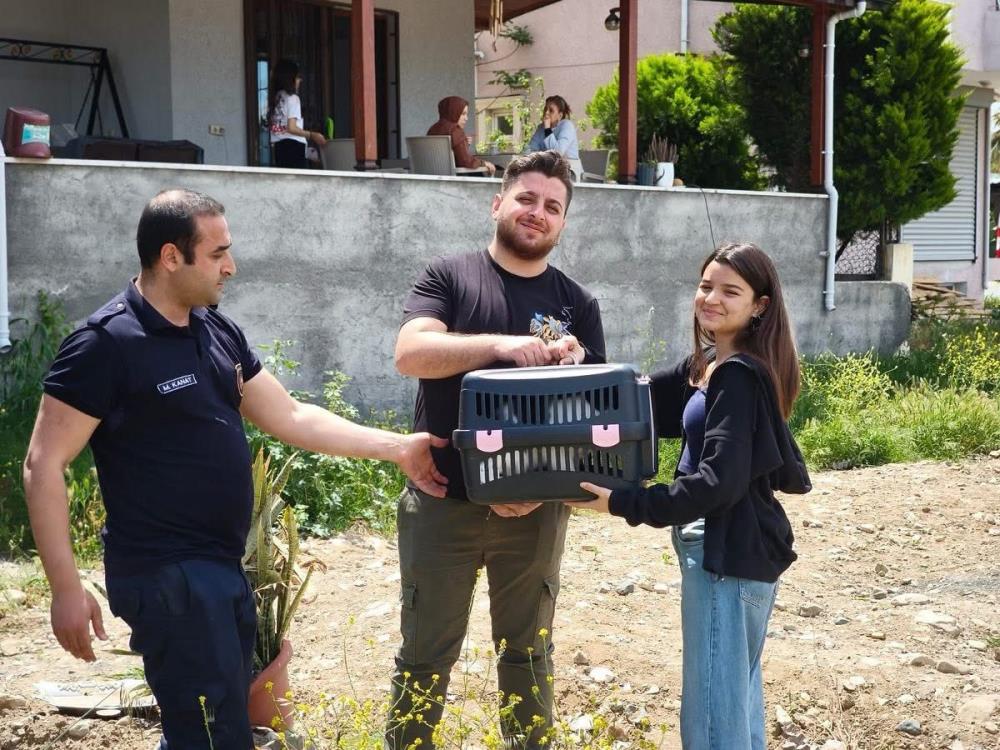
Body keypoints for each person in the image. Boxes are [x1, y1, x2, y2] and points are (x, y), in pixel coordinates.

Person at [22, 189, 448, 750]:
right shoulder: (105, 344)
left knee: (215, 727)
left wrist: (398, 446)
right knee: (210, 731)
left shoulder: (215, 330)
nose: (232, 265)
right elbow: (42, 464)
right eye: (218, 252)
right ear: (171, 256)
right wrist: (64, 588)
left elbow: (291, 415)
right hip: (166, 574)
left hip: (221, 567)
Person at [389, 150, 606, 749]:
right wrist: (504, 346)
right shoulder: (450, 278)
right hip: (443, 502)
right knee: (425, 653)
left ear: (563, 223)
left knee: (528, 655)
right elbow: (412, 353)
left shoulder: (574, 308)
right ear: (498, 203)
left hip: (536, 514)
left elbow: (591, 419)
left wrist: (538, 491)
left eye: (553, 207)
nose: (538, 214)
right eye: (527, 199)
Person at [567, 242, 811, 750]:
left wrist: (623, 502)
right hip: (728, 554)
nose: (712, 298)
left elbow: (716, 484)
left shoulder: (737, 377)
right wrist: (578, 360)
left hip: (728, 556)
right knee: (733, 709)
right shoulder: (708, 366)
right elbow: (638, 396)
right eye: (706, 286)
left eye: (730, 291)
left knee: (712, 723)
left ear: (760, 304)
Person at [268, 58, 326, 169]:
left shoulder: (276, 98)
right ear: (290, 79)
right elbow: (292, 128)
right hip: (295, 147)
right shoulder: (293, 98)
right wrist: (312, 135)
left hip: (279, 148)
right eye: (298, 77)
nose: (300, 80)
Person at [427, 95, 497, 176]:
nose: (466, 118)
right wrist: (484, 163)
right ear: (453, 112)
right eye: (463, 114)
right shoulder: (455, 129)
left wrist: (463, 143)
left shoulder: (432, 129)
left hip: (432, 179)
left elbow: (444, 157)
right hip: (455, 180)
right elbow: (465, 161)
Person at [525, 96, 583, 181]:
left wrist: (548, 129)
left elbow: (558, 153)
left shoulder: (567, 125)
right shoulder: (541, 128)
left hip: (569, 173)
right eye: (545, 109)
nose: (546, 113)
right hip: (548, 171)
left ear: (560, 115)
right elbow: (530, 149)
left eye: (551, 111)